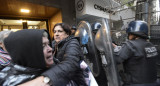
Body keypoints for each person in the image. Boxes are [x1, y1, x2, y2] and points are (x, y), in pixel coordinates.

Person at [20, 23, 87, 86]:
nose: (56, 34)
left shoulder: (73, 43)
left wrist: (45, 79)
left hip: (74, 79)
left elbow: (70, 63)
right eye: (54, 32)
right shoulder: (53, 43)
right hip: (59, 78)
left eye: (60, 31)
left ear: (67, 33)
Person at [113, 20, 158, 86]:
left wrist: (114, 49)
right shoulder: (151, 45)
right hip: (153, 82)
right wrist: (118, 47)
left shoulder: (130, 44)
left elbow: (117, 59)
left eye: (129, 34)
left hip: (135, 83)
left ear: (132, 34)